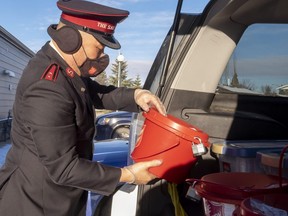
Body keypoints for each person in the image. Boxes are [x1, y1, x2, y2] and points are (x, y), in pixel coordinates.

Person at [0, 0, 166, 215]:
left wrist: (136, 95)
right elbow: (64, 168)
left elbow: (91, 91)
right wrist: (128, 175)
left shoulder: (63, 67)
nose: (102, 55)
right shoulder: (47, 88)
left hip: (57, 195)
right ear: (70, 39)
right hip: (37, 202)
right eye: (100, 46)